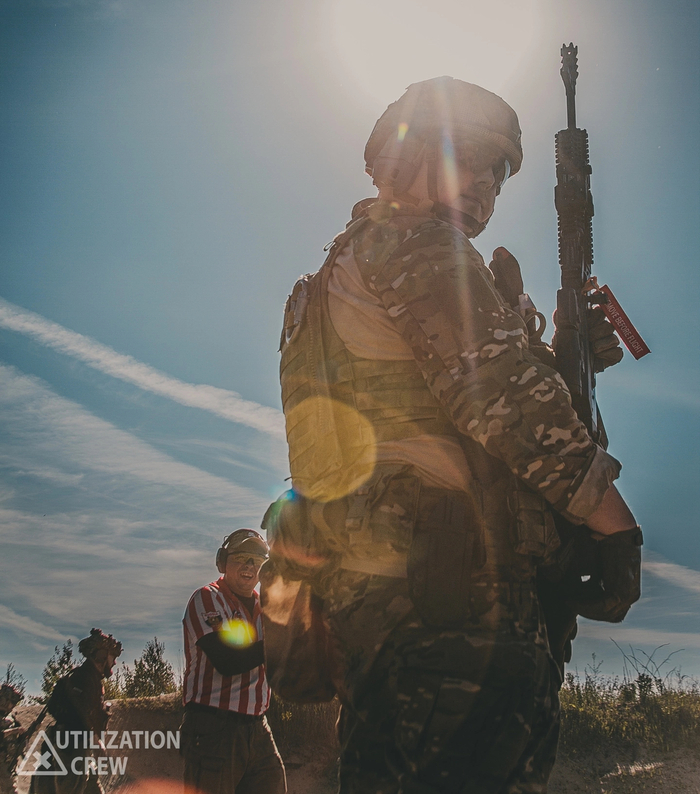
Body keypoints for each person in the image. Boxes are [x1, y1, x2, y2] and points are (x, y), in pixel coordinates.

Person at [264, 76, 642, 793]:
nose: (485, 185)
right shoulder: (416, 243)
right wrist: (615, 527)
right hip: (451, 608)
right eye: (467, 157)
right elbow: (504, 402)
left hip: (398, 603)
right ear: (402, 157)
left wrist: (561, 353)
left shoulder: (348, 267)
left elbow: (442, 405)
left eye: (498, 172)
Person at [181, 528, 286, 794]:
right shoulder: (207, 598)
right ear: (222, 562)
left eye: (257, 559)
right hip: (213, 727)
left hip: (258, 726)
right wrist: (282, 641)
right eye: (241, 557)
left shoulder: (268, 607)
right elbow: (226, 660)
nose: (250, 566)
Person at [30, 629, 122, 794]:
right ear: (101, 655)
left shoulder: (90, 678)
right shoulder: (83, 678)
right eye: (112, 657)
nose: (114, 663)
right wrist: (96, 741)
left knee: (92, 789)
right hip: (71, 746)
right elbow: (81, 712)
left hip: (78, 745)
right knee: (71, 788)